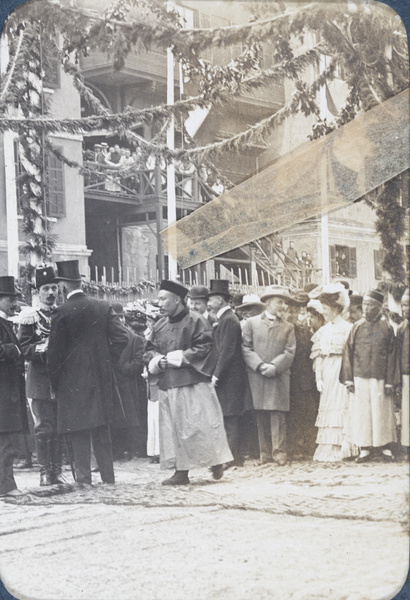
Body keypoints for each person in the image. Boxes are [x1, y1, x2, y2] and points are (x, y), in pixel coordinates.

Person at [47, 261, 129, 485]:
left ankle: (83, 481)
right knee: (102, 428)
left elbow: (54, 354)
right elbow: (123, 338)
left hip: (71, 381)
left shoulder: (61, 312)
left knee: (78, 430)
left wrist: (54, 382)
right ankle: (108, 479)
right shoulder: (102, 306)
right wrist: (105, 358)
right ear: (80, 282)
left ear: (63, 287)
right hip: (101, 377)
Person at [144, 280, 233, 485]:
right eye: (159, 298)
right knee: (174, 428)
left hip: (193, 383)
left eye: (164, 298)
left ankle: (216, 461)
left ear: (177, 300)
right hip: (168, 383)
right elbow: (148, 349)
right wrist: (157, 359)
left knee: (200, 426)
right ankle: (181, 471)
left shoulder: (196, 321)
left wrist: (179, 358)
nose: (160, 303)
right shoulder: (159, 324)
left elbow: (206, 347)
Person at [17, 266, 67, 486]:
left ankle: (57, 470)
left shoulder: (62, 314)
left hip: (61, 381)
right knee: (44, 427)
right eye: (46, 288)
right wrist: (43, 348)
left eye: (54, 288)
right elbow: (23, 349)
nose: (51, 293)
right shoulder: (30, 317)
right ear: (38, 292)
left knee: (59, 427)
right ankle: (45, 471)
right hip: (39, 381)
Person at [340, 289, 399, 463]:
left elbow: (392, 355)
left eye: (370, 305)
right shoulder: (356, 327)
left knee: (381, 411)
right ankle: (364, 448)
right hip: (360, 377)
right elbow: (348, 353)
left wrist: (390, 382)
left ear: (379, 307)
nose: (366, 308)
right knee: (362, 413)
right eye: (364, 304)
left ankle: (384, 446)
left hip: (381, 379)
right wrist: (349, 378)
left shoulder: (387, 328)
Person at [242, 285, 296, 466]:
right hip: (257, 375)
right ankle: (264, 454)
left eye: (284, 302)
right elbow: (245, 347)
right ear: (268, 303)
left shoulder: (288, 327)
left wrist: (274, 366)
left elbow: (290, 351)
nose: (283, 306)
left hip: (278, 376)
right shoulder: (251, 323)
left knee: (277, 415)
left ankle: (279, 454)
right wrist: (259, 365)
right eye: (280, 302)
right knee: (261, 415)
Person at [309, 283, 357, 462]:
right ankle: (328, 448)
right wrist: (319, 377)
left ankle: (345, 447)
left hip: (342, 371)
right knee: (328, 406)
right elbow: (318, 356)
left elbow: (353, 356)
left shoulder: (348, 329)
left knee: (342, 405)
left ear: (336, 309)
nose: (324, 313)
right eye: (323, 309)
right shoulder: (323, 331)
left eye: (327, 309)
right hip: (328, 373)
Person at [208, 280, 252, 467]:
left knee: (230, 416)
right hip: (228, 377)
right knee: (227, 416)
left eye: (211, 299)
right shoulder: (225, 319)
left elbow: (226, 351)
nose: (209, 303)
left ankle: (233, 459)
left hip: (230, 378)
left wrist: (216, 375)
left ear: (220, 299)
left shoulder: (228, 320)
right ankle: (233, 457)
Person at [0, 276, 28, 497]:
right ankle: (6, 486)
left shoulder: (5, 324)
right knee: (5, 441)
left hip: (7, 391)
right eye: (11, 299)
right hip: (4, 393)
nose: (15, 304)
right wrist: (14, 350)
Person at [285, 292, 319, 460]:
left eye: (298, 309)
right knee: (295, 414)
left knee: (305, 412)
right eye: (291, 309)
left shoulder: (303, 329)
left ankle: (305, 447)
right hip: (292, 377)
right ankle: (297, 447)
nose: (294, 313)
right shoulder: (289, 327)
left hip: (303, 378)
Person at [110, 303, 143, 461]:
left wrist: (123, 367)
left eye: (121, 317)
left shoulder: (134, 339)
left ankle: (132, 449)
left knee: (130, 417)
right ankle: (116, 450)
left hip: (128, 385)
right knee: (114, 418)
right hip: (112, 384)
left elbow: (139, 362)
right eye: (115, 318)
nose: (119, 321)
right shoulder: (106, 338)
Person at [397, 288, 409, 457]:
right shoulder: (401, 328)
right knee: (407, 412)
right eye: (404, 305)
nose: (406, 309)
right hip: (406, 374)